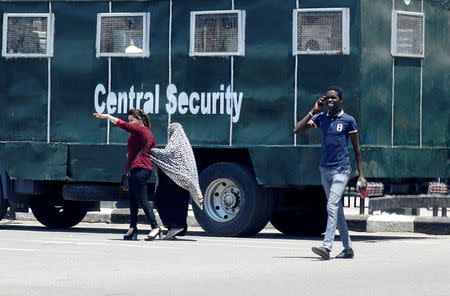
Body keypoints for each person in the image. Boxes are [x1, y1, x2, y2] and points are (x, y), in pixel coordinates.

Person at [293, 86, 367, 260]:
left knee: (332, 205)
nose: (330, 101)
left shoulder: (349, 120)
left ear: (340, 100)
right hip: (325, 169)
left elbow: (356, 149)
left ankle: (327, 247)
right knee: (337, 209)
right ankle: (348, 249)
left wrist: (361, 174)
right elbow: (297, 129)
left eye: (333, 98)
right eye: (327, 98)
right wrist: (313, 110)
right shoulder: (321, 118)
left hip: (342, 169)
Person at [93, 109, 161, 241]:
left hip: (140, 169)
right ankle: (133, 228)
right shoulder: (148, 133)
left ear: (139, 119)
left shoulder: (140, 130)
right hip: (138, 169)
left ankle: (155, 227)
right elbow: (154, 150)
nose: (130, 122)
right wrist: (133, 154)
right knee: (133, 200)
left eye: (132, 120)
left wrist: (108, 116)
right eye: (129, 120)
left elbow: (123, 125)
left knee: (142, 200)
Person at [150, 123, 203, 240]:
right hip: (183, 183)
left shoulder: (174, 145)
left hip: (173, 183)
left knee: (161, 201)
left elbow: (167, 155)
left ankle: (174, 227)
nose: (168, 135)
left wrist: (150, 151)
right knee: (179, 206)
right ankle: (176, 228)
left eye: (169, 132)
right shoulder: (185, 146)